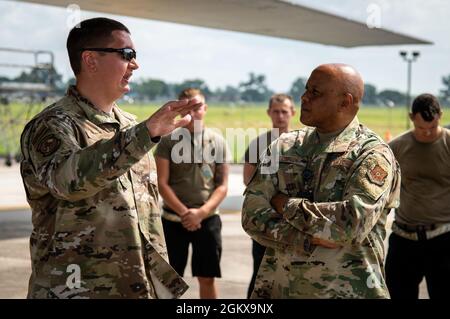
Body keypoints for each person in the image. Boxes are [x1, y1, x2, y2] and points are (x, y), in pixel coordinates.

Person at [20, 17, 203, 299]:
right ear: (91, 60)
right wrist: (147, 133)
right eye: (126, 55)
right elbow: (67, 181)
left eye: (135, 56)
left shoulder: (131, 126)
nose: (135, 65)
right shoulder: (53, 125)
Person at [242, 63, 401, 299]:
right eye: (306, 90)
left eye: (315, 92)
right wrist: (305, 238)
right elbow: (251, 214)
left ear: (345, 102)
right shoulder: (284, 147)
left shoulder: (372, 154)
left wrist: (284, 204)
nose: (304, 98)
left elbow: (351, 224)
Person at [154, 88, 229, 299]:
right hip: (172, 219)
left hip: (208, 219)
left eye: (197, 107)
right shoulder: (167, 141)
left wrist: (200, 213)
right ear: (180, 110)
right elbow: (162, 183)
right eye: (187, 108)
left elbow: (222, 186)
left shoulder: (218, 141)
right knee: (169, 281)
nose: (193, 113)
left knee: (207, 277)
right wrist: (185, 213)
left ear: (205, 109)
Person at [385, 94, 450, 299]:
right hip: (404, 239)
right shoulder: (396, 147)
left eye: (432, 127)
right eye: (421, 129)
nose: (427, 133)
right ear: (411, 117)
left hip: (443, 240)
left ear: (440, 116)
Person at [242, 93, 295, 298]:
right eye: (276, 111)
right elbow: (248, 180)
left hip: (294, 220)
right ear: (269, 113)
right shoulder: (259, 144)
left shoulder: (303, 143)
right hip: (266, 221)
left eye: (284, 111)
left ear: (292, 113)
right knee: (261, 274)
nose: (280, 116)